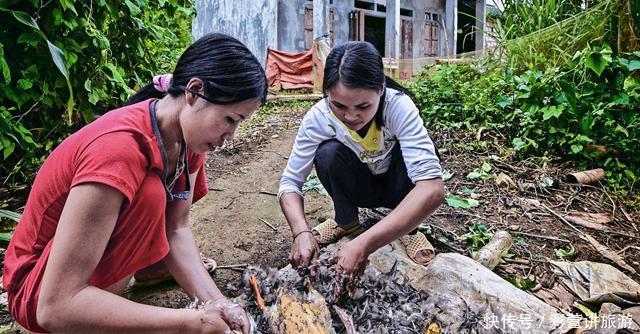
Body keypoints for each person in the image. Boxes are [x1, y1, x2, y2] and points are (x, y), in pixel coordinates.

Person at [2, 33, 267, 333]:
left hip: (73, 285)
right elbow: (54, 308)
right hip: (38, 294)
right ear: (194, 92)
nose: (230, 136)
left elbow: (176, 229)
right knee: (150, 194)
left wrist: (219, 305)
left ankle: (138, 276)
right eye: (230, 120)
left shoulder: (187, 144)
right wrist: (189, 323)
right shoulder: (117, 150)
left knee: (154, 198)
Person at [278, 41, 445, 287]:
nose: (351, 116)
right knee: (327, 153)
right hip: (360, 189)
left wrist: (364, 244)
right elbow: (290, 182)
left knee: (418, 158)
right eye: (339, 106)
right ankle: (345, 222)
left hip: (399, 188)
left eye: (363, 106)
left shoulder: (397, 106)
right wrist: (300, 231)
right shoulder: (319, 117)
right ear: (326, 95)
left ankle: (409, 231)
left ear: (380, 89)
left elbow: (432, 189)